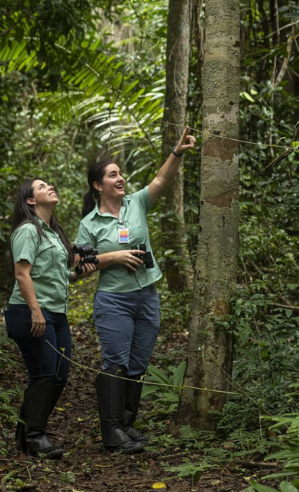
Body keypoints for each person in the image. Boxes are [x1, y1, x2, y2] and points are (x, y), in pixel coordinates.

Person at [77, 127, 196, 454]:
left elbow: (160, 180)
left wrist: (178, 151)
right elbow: (78, 266)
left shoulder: (136, 204)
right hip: (114, 301)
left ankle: (126, 426)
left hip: (147, 296)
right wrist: (112, 256)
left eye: (121, 173)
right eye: (112, 175)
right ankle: (111, 431)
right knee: (115, 361)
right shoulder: (90, 223)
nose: (120, 178)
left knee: (137, 364)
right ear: (98, 186)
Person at [5, 178, 95, 459]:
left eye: (50, 184)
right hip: (29, 312)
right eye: (42, 186)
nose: (50, 187)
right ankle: (35, 436)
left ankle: (25, 435)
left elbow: (54, 275)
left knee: (58, 376)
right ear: (31, 201)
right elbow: (22, 273)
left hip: (56, 314)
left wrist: (80, 273)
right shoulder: (28, 231)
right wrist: (35, 311)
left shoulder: (53, 233)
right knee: (43, 375)